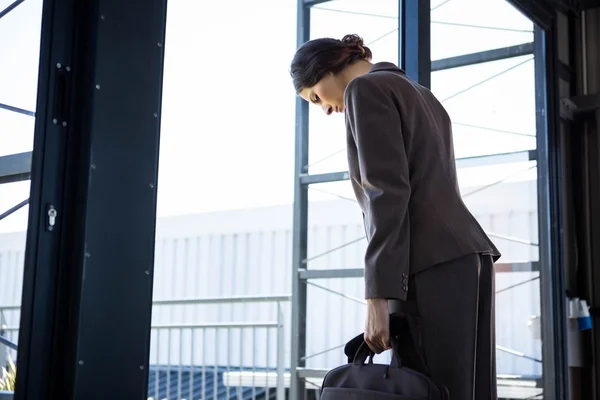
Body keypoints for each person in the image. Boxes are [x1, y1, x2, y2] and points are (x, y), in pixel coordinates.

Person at [290, 34, 502, 400]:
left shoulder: (364, 91)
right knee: (468, 389)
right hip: (467, 257)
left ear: (323, 70)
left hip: (427, 262)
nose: (323, 108)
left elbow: (385, 196)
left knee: (428, 389)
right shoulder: (419, 92)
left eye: (314, 96)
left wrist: (378, 297)